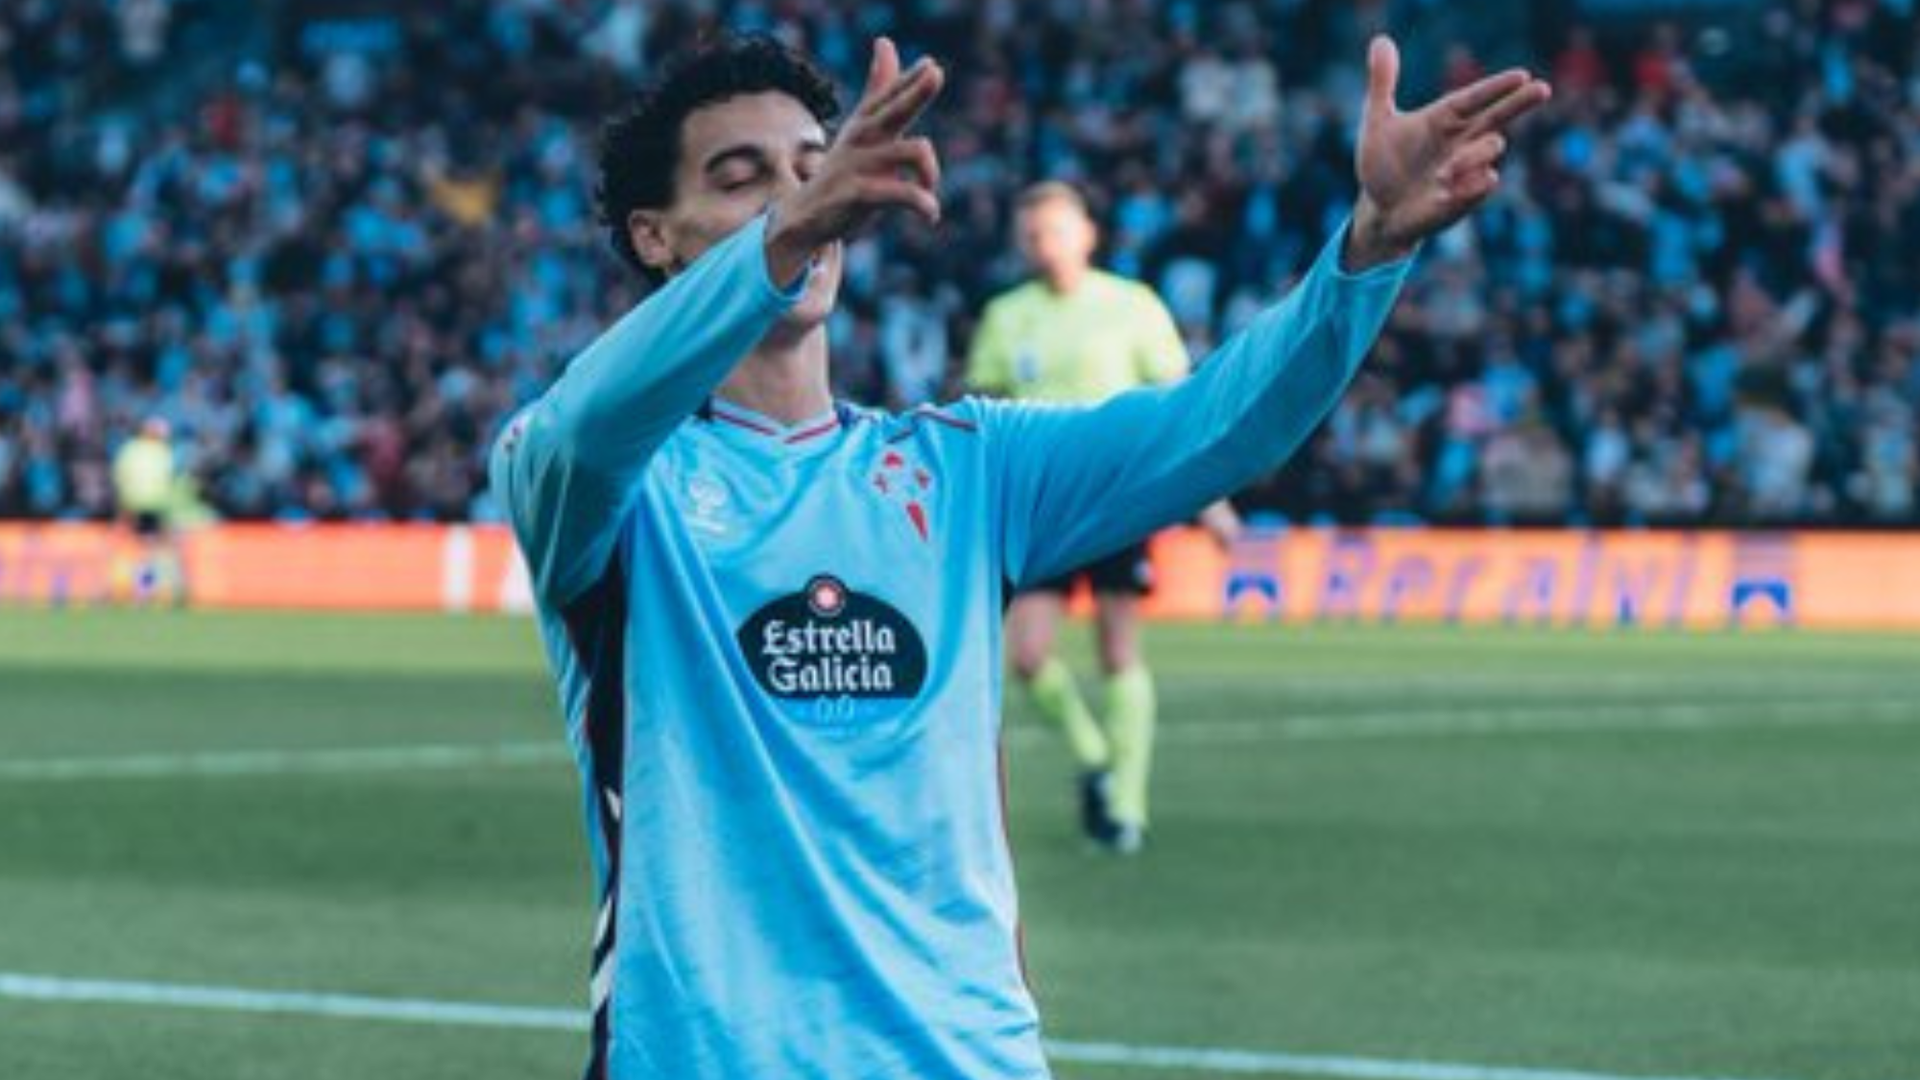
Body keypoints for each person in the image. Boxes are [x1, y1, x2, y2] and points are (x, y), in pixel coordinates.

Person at [490, 30, 1547, 1080]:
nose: (794, 199)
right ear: (655, 236)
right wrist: (785, 233)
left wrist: (1368, 252)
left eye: (815, 171)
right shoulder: (601, 486)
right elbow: (586, 423)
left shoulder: (969, 469)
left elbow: (1223, 426)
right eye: (742, 180)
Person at [968, 181, 1240, 854]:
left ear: (1087, 234)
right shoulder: (1006, 315)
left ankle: (1127, 806)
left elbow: (1183, 411)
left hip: (1120, 496)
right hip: (1038, 504)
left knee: (1119, 648)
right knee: (1027, 657)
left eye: (1055, 229)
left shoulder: (1132, 306)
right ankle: (1095, 758)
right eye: (1031, 233)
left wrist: (1212, 500)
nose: (1043, 244)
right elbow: (978, 411)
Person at [111, 417, 184, 605]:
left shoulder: (129, 449)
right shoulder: (162, 452)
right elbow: (169, 482)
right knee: (157, 550)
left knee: (141, 550)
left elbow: (119, 477)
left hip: (133, 505)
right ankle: (161, 589)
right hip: (155, 506)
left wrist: (123, 507)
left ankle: (144, 590)